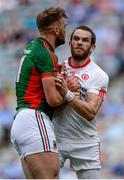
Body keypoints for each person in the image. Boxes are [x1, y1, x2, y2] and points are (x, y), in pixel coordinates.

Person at [10, 7, 68, 179]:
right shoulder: (46, 53)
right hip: (34, 119)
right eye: (65, 26)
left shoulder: (33, 47)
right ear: (56, 29)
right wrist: (69, 91)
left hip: (22, 120)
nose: (66, 30)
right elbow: (53, 100)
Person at [53, 26, 109, 179]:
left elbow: (90, 112)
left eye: (85, 40)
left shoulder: (98, 75)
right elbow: (47, 107)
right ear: (70, 43)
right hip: (55, 138)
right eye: (76, 39)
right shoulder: (56, 68)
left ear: (93, 47)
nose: (79, 43)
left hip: (85, 142)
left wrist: (67, 94)